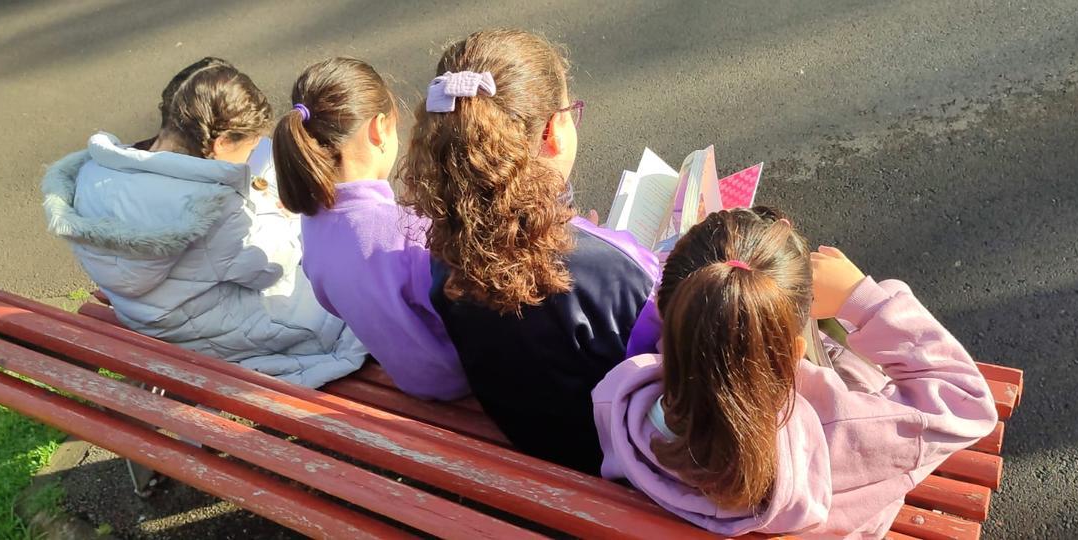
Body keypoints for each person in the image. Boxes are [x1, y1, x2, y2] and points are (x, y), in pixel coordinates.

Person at [592, 207, 999, 537]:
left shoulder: (623, 399)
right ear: (794, 355)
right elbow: (968, 401)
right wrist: (862, 300)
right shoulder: (845, 431)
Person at [398, 29, 660, 473]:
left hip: (527, 435)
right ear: (553, 131)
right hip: (613, 455)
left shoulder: (444, 247)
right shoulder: (621, 270)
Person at [41, 57, 366, 389]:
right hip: (206, 332)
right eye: (249, 148)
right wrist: (282, 213)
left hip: (146, 315)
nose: (249, 159)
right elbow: (271, 267)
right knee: (345, 296)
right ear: (220, 143)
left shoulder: (96, 173)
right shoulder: (211, 209)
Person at [272, 57, 468, 401]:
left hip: (408, 378)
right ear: (378, 129)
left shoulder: (312, 223)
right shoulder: (406, 229)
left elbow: (332, 303)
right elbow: (462, 308)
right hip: (461, 377)